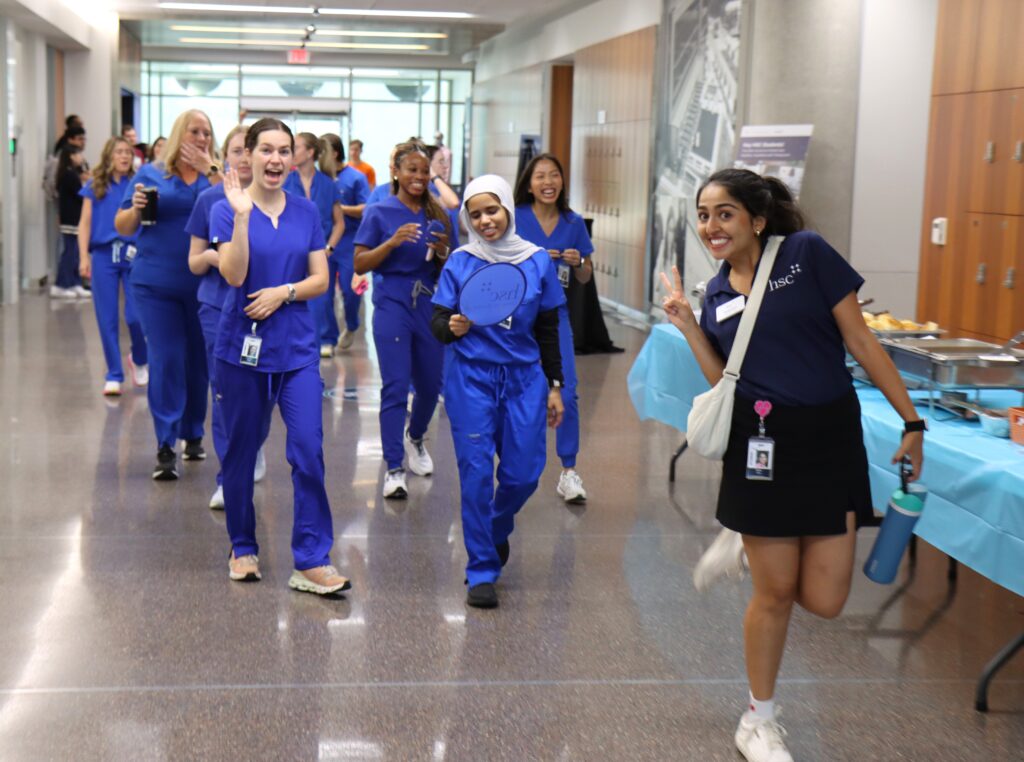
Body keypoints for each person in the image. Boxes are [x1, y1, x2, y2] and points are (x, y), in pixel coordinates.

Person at [659, 168, 925, 762]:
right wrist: (684, 322)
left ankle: (746, 545)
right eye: (703, 215)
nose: (711, 227)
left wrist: (912, 422)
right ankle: (759, 719)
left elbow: (861, 340)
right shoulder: (717, 295)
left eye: (724, 213)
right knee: (776, 594)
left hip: (830, 440)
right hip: (760, 447)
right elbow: (723, 379)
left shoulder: (805, 255)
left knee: (827, 599)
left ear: (756, 219)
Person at [211, 117, 350, 595]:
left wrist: (283, 292)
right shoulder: (226, 207)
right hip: (242, 351)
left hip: (297, 350)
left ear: (294, 158)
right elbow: (233, 275)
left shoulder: (307, 211)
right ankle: (243, 545)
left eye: (283, 151)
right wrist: (243, 215)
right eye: (265, 150)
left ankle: (311, 558)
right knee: (240, 453)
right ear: (247, 155)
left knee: (309, 447)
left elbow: (319, 279)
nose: (275, 160)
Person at [431, 175, 566, 609]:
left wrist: (556, 385)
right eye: (475, 214)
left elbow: (548, 328)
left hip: (525, 379)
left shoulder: (536, 260)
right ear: (466, 219)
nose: (485, 220)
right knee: (474, 474)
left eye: (492, 210)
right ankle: (482, 570)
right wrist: (450, 327)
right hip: (471, 378)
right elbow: (438, 320)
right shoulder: (460, 261)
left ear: (508, 208)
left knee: (524, 474)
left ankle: (495, 528)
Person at [116, 109, 222, 480]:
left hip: (204, 285)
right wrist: (135, 208)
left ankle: (193, 431)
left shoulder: (215, 176)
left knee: (199, 361)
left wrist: (212, 168)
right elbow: (124, 224)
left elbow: (237, 203)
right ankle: (165, 442)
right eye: (195, 131)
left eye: (207, 132)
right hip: (154, 283)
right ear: (180, 133)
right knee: (167, 357)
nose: (202, 138)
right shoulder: (150, 174)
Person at [354, 142, 451, 499]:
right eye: (412, 170)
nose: (419, 177)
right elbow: (361, 264)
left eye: (424, 172)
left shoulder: (438, 215)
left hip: (428, 303)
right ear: (395, 171)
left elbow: (448, 266)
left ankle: (415, 437)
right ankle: (394, 468)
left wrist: (442, 252)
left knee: (429, 386)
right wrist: (392, 243)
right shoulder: (379, 213)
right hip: (392, 303)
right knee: (395, 386)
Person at [186, 125, 269, 510]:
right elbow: (194, 260)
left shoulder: (280, 201)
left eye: (247, 151)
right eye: (235, 151)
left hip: (263, 310)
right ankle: (227, 479)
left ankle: (253, 444)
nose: (241, 158)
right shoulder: (210, 200)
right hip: (217, 309)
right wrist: (218, 257)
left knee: (262, 395)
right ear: (227, 156)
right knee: (223, 394)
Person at [513, 153, 593, 504]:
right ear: (528, 185)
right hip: (515, 319)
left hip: (555, 316)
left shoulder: (573, 222)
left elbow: (586, 276)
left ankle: (569, 471)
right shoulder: (514, 218)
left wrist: (580, 262)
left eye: (554, 175)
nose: (548, 182)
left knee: (568, 392)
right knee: (519, 393)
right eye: (540, 176)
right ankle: (517, 466)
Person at [77, 136, 148, 395]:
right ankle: (114, 374)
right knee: (106, 317)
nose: (124, 156)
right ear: (109, 155)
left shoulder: (138, 184)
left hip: (133, 254)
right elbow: (84, 224)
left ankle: (139, 359)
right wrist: (84, 257)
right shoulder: (95, 185)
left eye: (128, 152)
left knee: (136, 316)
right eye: (119, 152)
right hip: (105, 255)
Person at [283, 133, 345, 358]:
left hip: (320, 254)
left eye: (295, 147)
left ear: (310, 153)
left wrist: (329, 248)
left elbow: (339, 223)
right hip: (292, 255)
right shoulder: (285, 182)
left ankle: (322, 345)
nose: (291, 152)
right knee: (293, 301)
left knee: (321, 303)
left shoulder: (328, 184)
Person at [322, 133, 371, 350]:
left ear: (334, 152)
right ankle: (327, 339)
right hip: (324, 241)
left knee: (350, 292)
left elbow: (365, 209)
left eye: (322, 151)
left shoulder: (356, 178)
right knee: (323, 293)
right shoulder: (319, 179)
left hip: (350, 241)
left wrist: (340, 210)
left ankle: (351, 325)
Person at [52, 145, 91, 299]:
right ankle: (61, 284)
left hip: (73, 218)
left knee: (74, 253)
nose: (81, 157)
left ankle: (75, 283)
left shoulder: (70, 173)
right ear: (71, 156)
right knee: (69, 253)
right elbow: (80, 195)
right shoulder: (69, 175)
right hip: (71, 219)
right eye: (78, 154)